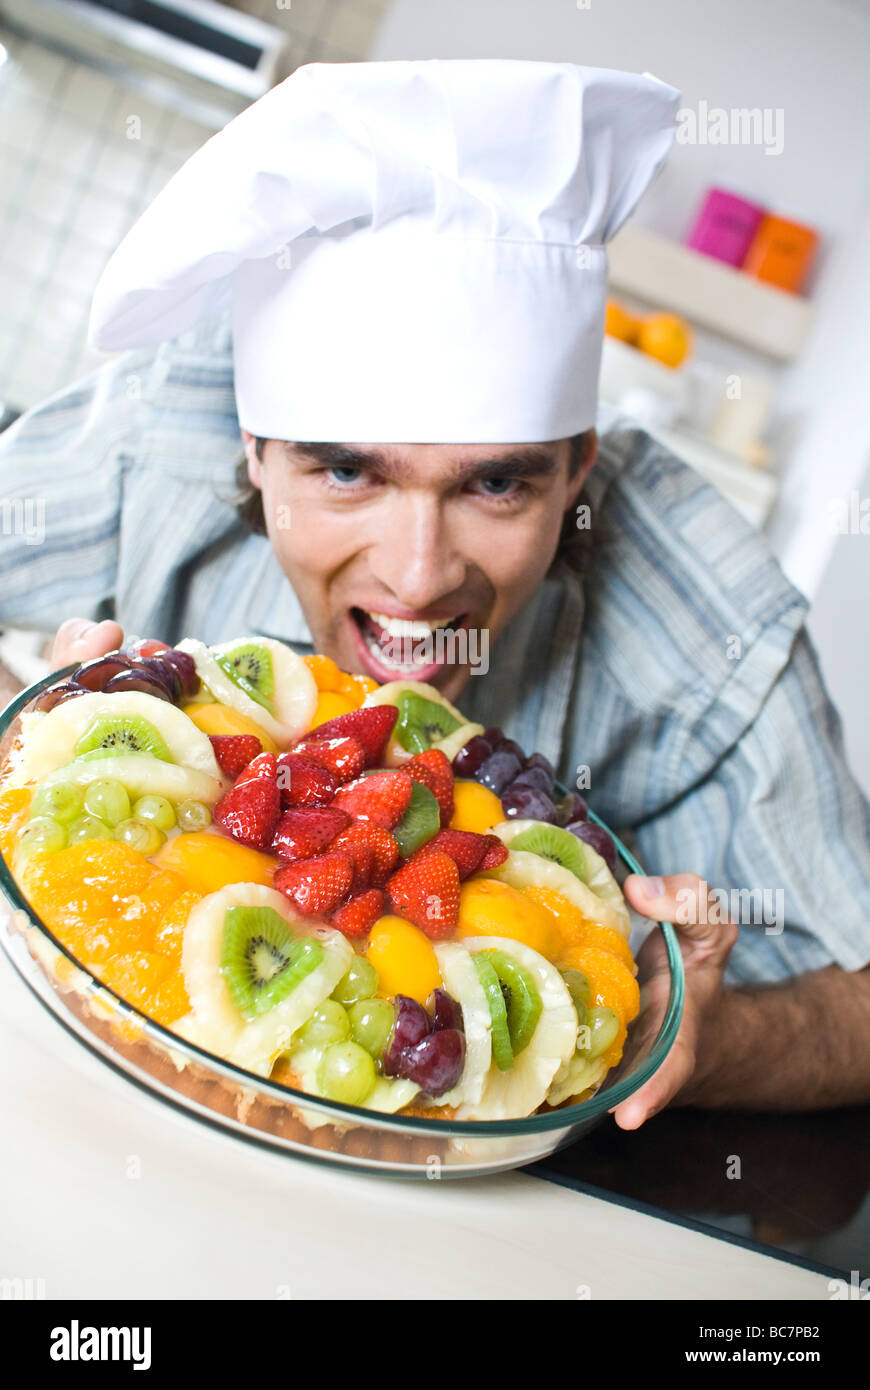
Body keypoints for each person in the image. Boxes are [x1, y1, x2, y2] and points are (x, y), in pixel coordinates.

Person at [1, 60, 869, 1131]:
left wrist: (684, 1034)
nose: (418, 574)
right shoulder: (157, 427)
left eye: (497, 483)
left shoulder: (705, 609)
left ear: (580, 470)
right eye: (347, 471)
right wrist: (30, 726)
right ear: (255, 447)